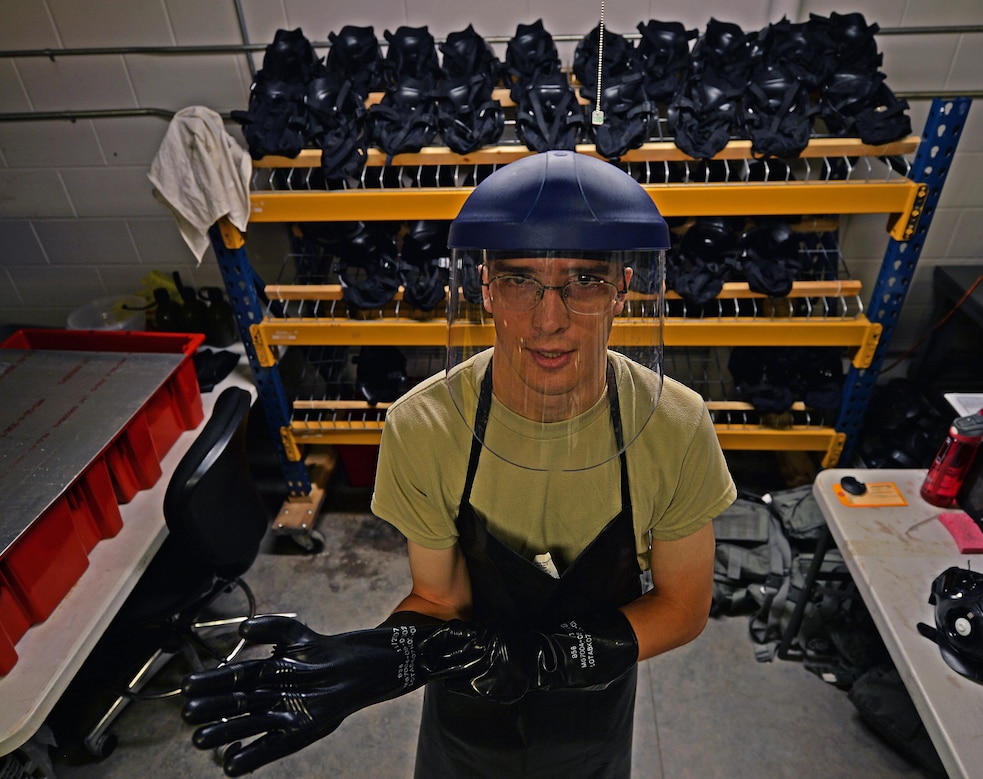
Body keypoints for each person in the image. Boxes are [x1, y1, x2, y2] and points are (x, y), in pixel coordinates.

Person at [180, 150, 736, 778]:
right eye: (519, 281)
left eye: (585, 281)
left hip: (593, 724)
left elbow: (683, 605)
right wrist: (380, 658)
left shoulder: (675, 426)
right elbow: (441, 597)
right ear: (485, 291)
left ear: (622, 294)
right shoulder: (425, 426)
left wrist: (548, 660)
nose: (549, 321)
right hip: (463, 731)